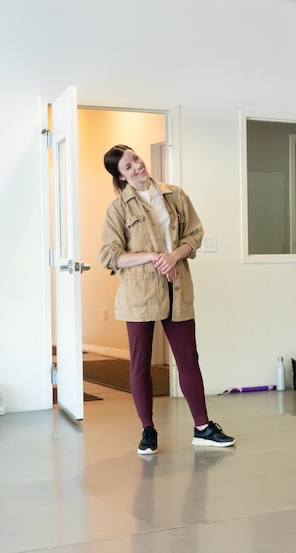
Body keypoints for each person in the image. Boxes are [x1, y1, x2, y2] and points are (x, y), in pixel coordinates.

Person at [99, 144, 234, 455]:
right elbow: (110, 256)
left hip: (178, 288)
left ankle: (203, 427)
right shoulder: (118, 209)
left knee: (188, 358)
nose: (137, 167)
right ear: (120, 177)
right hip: (139, 294)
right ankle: (148, 429)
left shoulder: (174, 195)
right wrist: (152, 257)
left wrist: (173, 257)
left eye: (136, 159)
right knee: (140, 364)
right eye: (128, 167)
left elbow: (195, 235)